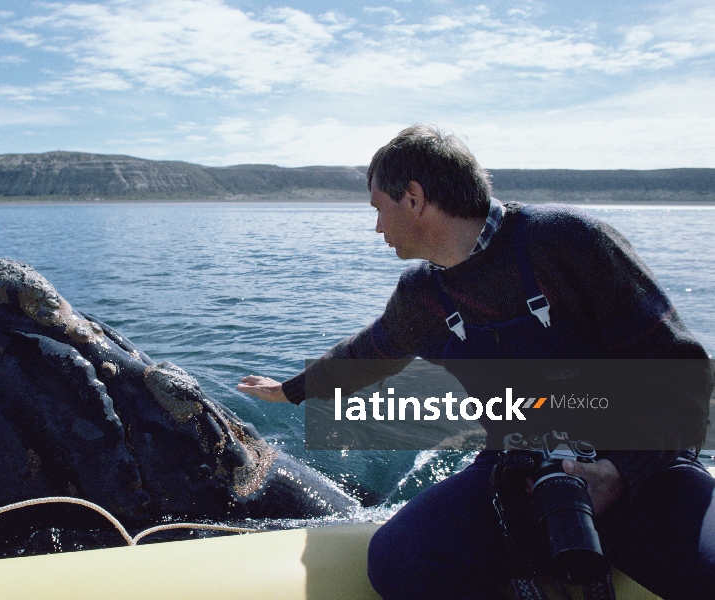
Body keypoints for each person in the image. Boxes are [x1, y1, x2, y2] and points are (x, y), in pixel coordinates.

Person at [237, 125, 715, 600]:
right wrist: (289, 390)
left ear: (414, 198)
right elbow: (365, 357)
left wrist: (617, 474)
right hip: (517, 466)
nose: (377, 227)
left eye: (378, 209)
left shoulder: (570, 242)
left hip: (642, 467)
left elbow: (683, 374)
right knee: (398, 559)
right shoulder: (422, 295)